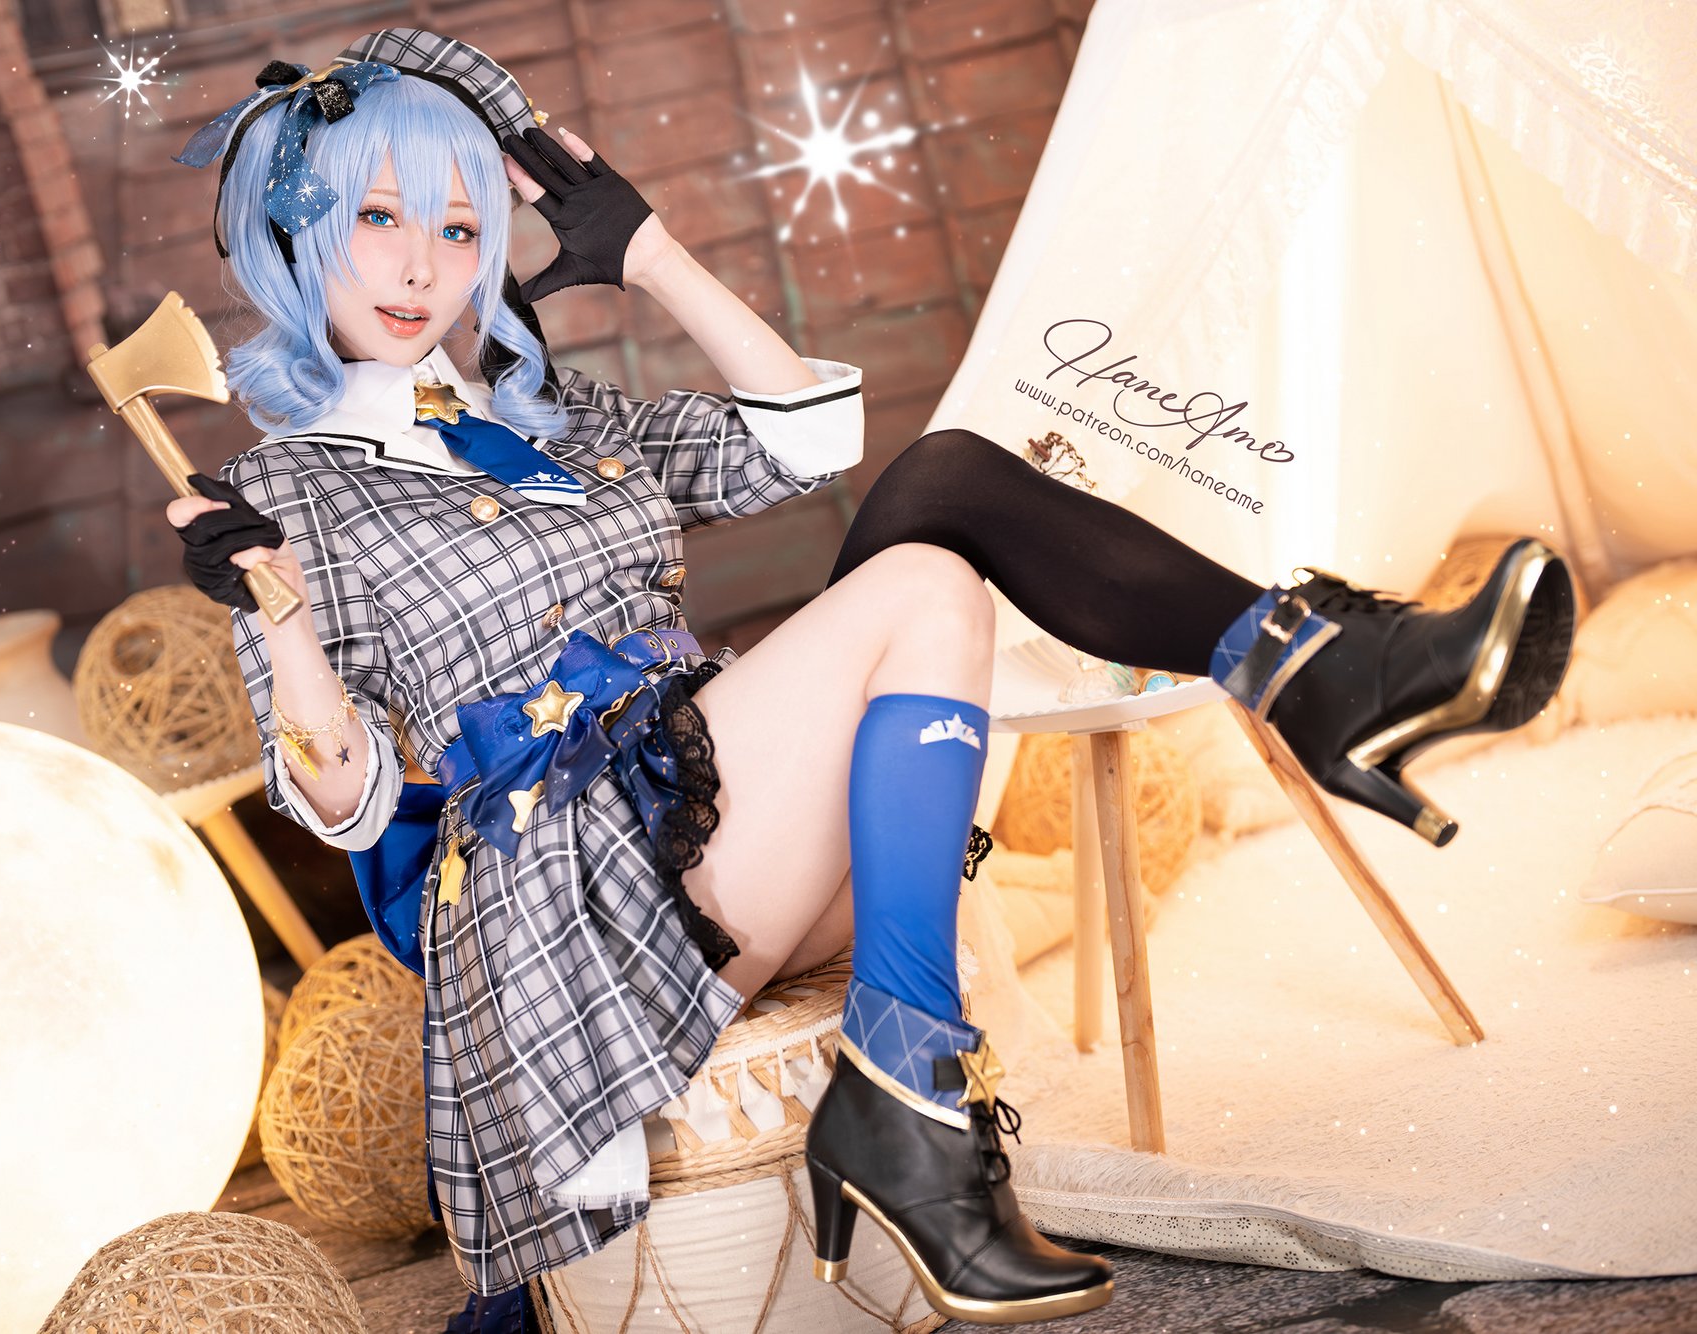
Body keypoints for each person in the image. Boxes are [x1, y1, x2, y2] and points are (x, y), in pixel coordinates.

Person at [166, 29, 1576, 1326]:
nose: (423, 265)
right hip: (558, 903)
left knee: (941, 489)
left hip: (710, 826)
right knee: (926, 583)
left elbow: (808, 436)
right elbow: (347, 805)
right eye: (380, 218)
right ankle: (1309, 692)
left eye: (461, 225)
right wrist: (278, 612)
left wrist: (650, 253)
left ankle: (1301, 676)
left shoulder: (550, 416)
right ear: (299, 235)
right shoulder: (283, 495)